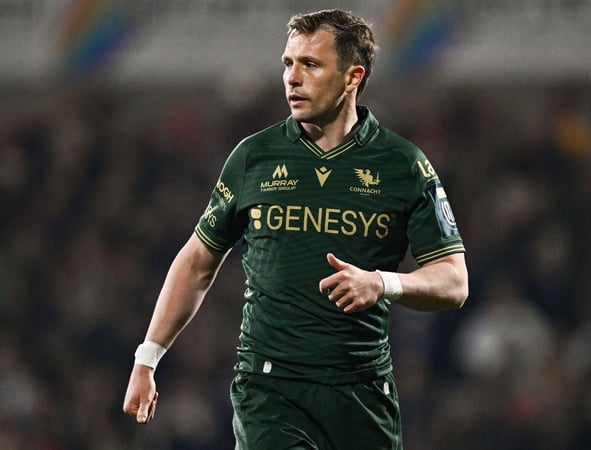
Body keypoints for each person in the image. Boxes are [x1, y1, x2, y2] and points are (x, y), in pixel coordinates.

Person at [123, 9, 468, 449]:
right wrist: (147, 359)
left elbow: (455, 281)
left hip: (362, 393)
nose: (292, 77)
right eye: (288, 63)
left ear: (352, 77)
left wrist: (382, 283)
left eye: (311, 64)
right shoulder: (254, 156)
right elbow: (197, 262)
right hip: (270, 390)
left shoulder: (404, 165)